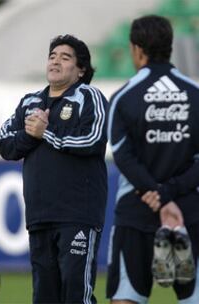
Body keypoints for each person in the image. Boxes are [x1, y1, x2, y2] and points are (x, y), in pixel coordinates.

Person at [0, 34, 108, 304]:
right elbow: (4, 143)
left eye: (65, 57)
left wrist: (46, 133)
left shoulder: (90, 96)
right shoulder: (29, 101)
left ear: (80, 70)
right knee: (44, 297)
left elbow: (93, 140)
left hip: (77, 214)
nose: (55, 61)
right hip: (39, 216)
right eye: (52, 56)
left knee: (75, 295)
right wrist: (31, 135)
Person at [107, 15, 199, 304]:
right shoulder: (195, 94)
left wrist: (156, 195)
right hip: (189, 212)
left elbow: (123, 156)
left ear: (136, 49)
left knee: (126, 299)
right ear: (170, 47)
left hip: (136, 212)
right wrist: (169, 194)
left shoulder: (123, 97)